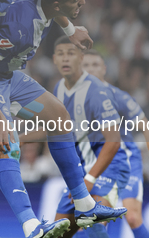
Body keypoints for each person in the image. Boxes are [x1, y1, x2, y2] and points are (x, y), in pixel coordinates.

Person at [0, 0, 127, 238]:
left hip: (7, 74)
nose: (83, 2)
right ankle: (31, 227)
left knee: (59, 119)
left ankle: (85, 205)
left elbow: (54, 7)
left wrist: (70, 30)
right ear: (56, 2)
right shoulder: (20, 27)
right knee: (7, 145)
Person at [50, 37, 130, 238]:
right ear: (54, 60)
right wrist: (22, 138)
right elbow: (53, 129)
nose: (66, 59)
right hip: (81, 171)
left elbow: (113, 141)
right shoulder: (58, 89)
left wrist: (91, 177)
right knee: (57, 233)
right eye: (61, 54)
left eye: (71, 54)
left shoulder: (96, 91)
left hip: (107, 166)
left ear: (80, 58)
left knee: (93, 218)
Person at [83, 51, 149, 238]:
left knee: (133, 218)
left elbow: (147, 128)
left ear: (104, 69)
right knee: (95, 220)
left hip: (125, 158)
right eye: (86, 65)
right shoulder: (76, 100)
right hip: (101, 162)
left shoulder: (117, 96)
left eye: (95, 65)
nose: (90, 69)